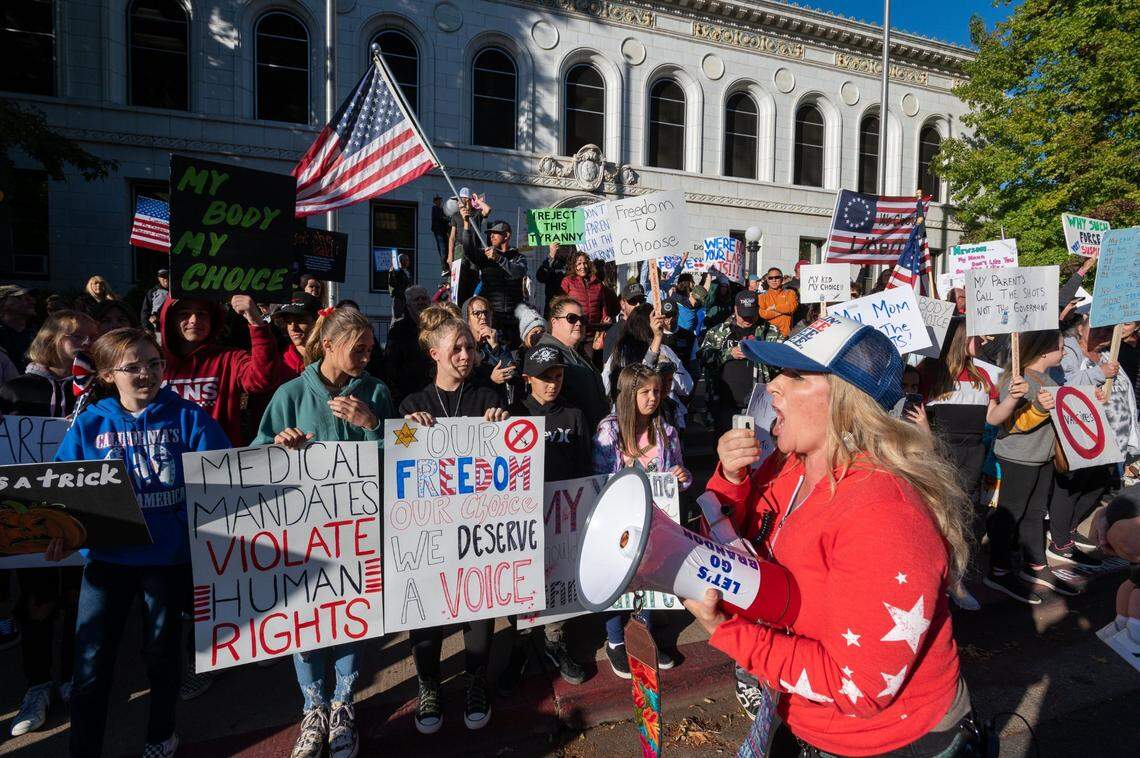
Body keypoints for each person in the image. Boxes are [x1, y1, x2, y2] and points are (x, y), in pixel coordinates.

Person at [688, 315, 978, 756]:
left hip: (885, 741)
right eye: (777, 373)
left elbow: (858, 688)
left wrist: (726, 630)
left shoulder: (885, 515)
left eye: (797, 375)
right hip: (801, 711)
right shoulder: (789, 463)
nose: (772, 388)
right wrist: (730, 478)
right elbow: (730, 546)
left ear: (846, 402)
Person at [55, 328, 229, 758]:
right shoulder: (91, 423)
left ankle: (160, 734)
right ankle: (83, 747)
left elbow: (224, 479)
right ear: (108, 374)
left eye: (154, 364)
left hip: (167, 560)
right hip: (106, 558)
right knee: (91, 662)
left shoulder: (188, 418)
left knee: (161, 653)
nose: (146, 374)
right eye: (132, 367)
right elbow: (62, 486)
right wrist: (60, 530)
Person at [253, 307, 392, 758]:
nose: (367, 357)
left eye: (371, 349)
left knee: (352, 616)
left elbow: (406, 448)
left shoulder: (377, 392)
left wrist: (372, 426)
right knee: (307, 623)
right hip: (305, 535)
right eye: (359, 349)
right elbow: (255, 454)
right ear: (328, 346)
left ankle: (343, 704)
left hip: (359, 531)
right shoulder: (290, 394)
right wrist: (278, 445)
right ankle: (313, 707)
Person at [398, 315, 509, 734]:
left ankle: (475, 679)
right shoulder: (413, 404)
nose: (466, 356)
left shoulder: (487, 399)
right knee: (427, 609)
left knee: (480, 604)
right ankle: (429, 683)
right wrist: (409, 432)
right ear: (435, 354)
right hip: (429, 534)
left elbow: (510, 456)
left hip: (476, 531)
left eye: (470, 348)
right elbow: (397, 452)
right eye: (457, 349)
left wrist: (502, 425)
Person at [0, 311, 99, 738]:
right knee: (38, 603)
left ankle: (73, 677)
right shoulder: (17, 388)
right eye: (75, 336)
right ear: (50, 338)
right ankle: (37, 686)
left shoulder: (96, 393)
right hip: (28, 509)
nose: (84, 343)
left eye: (92, 337)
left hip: (86, 505)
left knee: (80, 600)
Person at [496, 345, 591, 695]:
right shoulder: (512, 414)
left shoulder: (574, 415)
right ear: (527, 379)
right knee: (521, 582)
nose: (552, 384)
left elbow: (584, 468)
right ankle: (520, 644)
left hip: (563, 517)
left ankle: (555, 641)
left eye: (557, 376)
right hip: (522, 516)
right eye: (544, 377)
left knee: (559, 576)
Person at [593, 363, 691, 677]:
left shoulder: (668, 431)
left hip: (655, 523)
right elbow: (597, 478)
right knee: (617, 580)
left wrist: (682, 476)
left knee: (648, 577)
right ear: (629, 394)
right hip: (617, 523)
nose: (652, 398)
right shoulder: (609, 430)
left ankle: (644, 632)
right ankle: (615, 640)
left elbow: (681, 475)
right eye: (645, 391)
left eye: (657, 391)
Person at [983, 329, 1078, 604]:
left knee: (1035, 513)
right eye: (1061, 347)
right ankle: (999, 571)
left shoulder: (1047, 379)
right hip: (1018, 459)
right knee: (1010, 515)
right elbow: (1011, 425)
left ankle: (1034, 565)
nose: (1064, 352)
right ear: (1044, 350)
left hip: (1042, 457)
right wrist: (1038, 407)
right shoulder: (1018, 380)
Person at [158, 295, 279, 447]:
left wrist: (256, 322)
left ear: (213, 320)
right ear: (169, 320)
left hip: (218, 463)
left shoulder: (230, 359)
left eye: (202, 314)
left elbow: (261, 380)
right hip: (167, 460)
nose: (194, 320)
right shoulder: (154, 363)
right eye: (184, 314)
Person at [700, 291, 782, 438]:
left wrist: (762, 354)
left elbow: (781, 365)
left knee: (759, 451)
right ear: (735, 309)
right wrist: (728, 353)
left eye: (751, 314)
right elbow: (704, 358)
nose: (748, 320)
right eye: (744, 315)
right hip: (725, 404)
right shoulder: (719, 331)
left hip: (760, 405)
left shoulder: (771, 332)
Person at [537, 296, 609, 429]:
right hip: (568, 435)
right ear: (554, 322)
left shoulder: (577, 352)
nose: (579, 323)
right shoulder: (546, 354)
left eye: (583, 319)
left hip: (592, 433)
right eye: (571, 318)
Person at [468, 220, 527, 344]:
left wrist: (499, 259)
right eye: (490, 233)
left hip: (514, 317)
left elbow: (518, 272)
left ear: (506, 236)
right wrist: (466, 225)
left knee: (514, 351)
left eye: (496, 233)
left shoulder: (519, 257)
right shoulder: (485, 256)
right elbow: (468, 249)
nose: (491, 236)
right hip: (492, 316)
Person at [382, 285, 434, 407]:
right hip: (408, 394)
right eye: (417, 299)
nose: (421, 302)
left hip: (433, 392)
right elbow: (390, 366)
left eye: (424, 298)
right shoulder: (398, 330)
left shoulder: (436, 327)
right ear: (409, 304)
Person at [464, 295, 517, 402]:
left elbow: (513, 375)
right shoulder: (463, 346)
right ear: (467, 319)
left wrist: (495, 346)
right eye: (477, 313)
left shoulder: (498, 343)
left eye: (486, 312)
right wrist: (491, 380)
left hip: (498, 407)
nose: (483, 317)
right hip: (474, 407)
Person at [561, 251, 616, 354]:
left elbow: (602, 306)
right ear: (574, 266)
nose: (583, 266)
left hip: (592, 334)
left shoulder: (598, 284)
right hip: (574, 332)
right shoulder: (567, 281)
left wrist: (605, 320)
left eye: (585, 263)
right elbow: (562, 305)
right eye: (579, 263)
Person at [270, 293, 319, 381]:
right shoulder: (280, 363)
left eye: (300, 320)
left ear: (317, 321)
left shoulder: (332, 357)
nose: (293, 328)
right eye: (288, 321)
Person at [0, 285, 38, 367]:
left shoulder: (36, 333)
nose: (32, 302)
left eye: (30, 298)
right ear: (3, 303)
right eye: (21, 298)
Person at [756, 267, 797, 337]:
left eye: (777, 277)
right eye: (770, 278)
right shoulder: (762, 296)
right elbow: (763, 314)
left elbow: (791, 308)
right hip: (769, 335)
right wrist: (783, 311)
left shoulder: (790, 293)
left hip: (787, 335)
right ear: (767, 280)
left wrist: (774, 307)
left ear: (782, 279)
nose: (774, 280)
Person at [536, 243, 569, 315]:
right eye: (562, 247)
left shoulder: (576, 264)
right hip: (553, 306)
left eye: (567, 247)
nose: (565, 250)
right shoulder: (552, 262)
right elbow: (540, 277)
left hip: (570, 306)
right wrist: (551, 256)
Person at [388, 253, 414, 324]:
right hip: (400, 298)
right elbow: (392, 283)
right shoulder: (396, 271)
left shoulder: (407, 272)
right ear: (401, 261)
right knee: (397, 319)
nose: (409, 261)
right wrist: (391, 273)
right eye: (407, 260)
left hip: (407, 299)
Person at [430, 195, 450, 274]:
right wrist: (447, 219)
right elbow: (440, 217)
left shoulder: (441, 209)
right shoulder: (434, 208)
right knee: (443, 249)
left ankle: (447, 266)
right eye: (437, 200)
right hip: (439, 231)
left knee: (446, 249)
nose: (439, 202)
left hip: (444, 231)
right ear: (435, 201)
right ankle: (444, 268)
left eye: (440, 200)